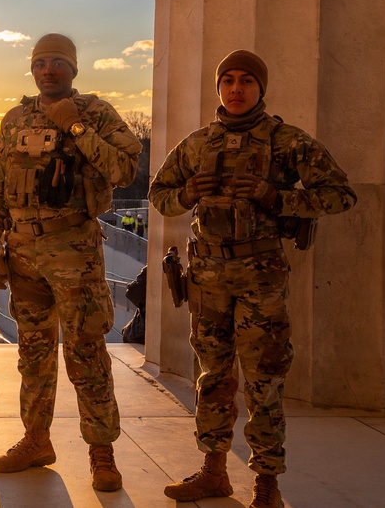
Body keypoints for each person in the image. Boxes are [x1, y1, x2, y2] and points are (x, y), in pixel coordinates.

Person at [149, 50, 356, 508]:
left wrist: (275, 197)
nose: (236, 89)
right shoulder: (198, 143)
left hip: (261, 279)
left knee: (265, 381)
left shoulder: (286, 142)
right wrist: (185, 193)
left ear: (261, 89)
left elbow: (340, 195)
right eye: (228, 81)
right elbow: (159, 195)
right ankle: (213, 471)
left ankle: (266, 482)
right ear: (219, 88)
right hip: (207, 279)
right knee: (213, 378)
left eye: (246, 81)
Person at [0, 33, 142, 492]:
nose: (47, 69)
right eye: (40, 62)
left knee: (87, 353)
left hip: (74, 250)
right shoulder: (15, 118)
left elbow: (123, 170)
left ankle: (101, 452)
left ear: (73, 68)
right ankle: (36, 440)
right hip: (24, 255)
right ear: (32, 69)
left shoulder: (96, 113)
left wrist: (75, 128)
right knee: (33, 355)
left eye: (57, 62)